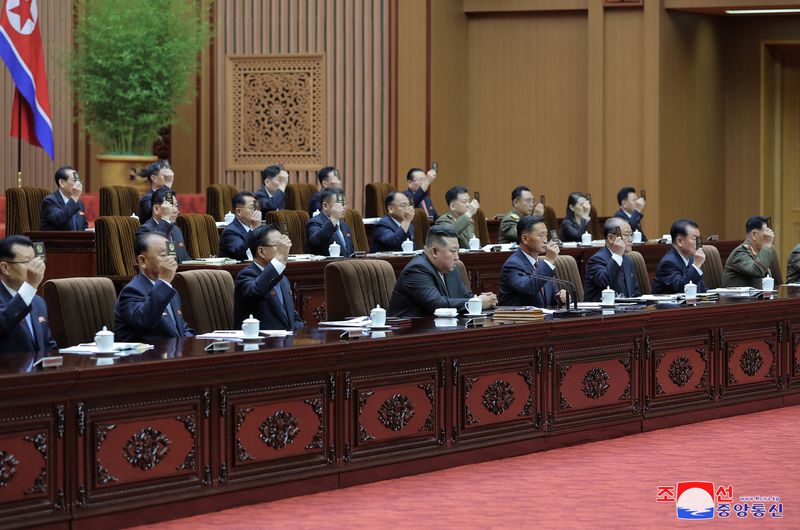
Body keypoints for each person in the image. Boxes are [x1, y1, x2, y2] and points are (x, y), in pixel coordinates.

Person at [388, 225, 497, 317]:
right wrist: (477, 303)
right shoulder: (416, 270)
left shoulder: (449, 267)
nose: (457, 257)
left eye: (457, 251)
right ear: (435, 251)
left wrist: (485, 299)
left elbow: (465, 297)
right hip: (408, 334)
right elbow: (437, 305)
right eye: (453, 251)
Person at [114, 233, 196, 342]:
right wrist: (164, 282)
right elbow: (143, 321)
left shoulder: (170, 290)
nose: (171, 260)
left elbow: (181, 329)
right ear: (142, 261)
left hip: (173, 354)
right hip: (145, 357)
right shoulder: (132, 291)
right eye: (163, 255)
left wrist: (195, 341)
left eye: (171, 255)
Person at [234, 225, 304, 330]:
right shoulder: (246, 275)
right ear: (261, 251)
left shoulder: (283, 279)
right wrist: (279, 257)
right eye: (279, 246)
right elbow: (258, 291)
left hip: (286, 343)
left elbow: (291, 315)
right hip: (260, 343)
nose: (285, 250)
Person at [0, 236, 57, 354]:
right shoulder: (28, 294)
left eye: (35, 261)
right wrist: (30, 285)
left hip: (38, 372)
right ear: (5, 268)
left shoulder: (38, 302)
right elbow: (4, 324)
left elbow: (50, 347)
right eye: (27, 262)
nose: (34, 268)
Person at [498, 215, 566, 307]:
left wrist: (560, 297)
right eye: (541, 235)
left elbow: (550, 299)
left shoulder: (541, 265)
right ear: (525, 238)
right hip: (519, 320)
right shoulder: (513, 265)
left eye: (546, 235)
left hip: (543, 319)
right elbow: (529, 289)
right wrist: (549, 261)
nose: (546, 240)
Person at [584, 217, 641, 302]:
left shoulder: (628, 261)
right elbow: (605, 282)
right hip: (603, 313)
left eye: (631, 234)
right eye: (626, 234)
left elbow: (635, 294)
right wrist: (617, 255)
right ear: (611, 238)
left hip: (627, 311)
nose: (631, 239)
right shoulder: (597, 260)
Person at [651, 219, 707, 294]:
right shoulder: (668, 262)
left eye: (698, 238)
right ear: (680, 241)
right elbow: (681, 289)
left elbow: (702, 290)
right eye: (694, 238)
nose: (698, 243)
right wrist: (696, 266)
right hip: (668, 305)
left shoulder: (691, 260)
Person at [135, 187, 191, 263]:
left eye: (176, 206)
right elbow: (152, 259)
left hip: (179, 274)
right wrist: (165, 220)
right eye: (170, 206)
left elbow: (185, 260)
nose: (176, 211)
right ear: (156, 209)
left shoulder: (176, 230)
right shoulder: (144, 230)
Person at [723, 216, 776, 288]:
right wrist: (766, 245)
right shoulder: (740, 253)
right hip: (738, 299)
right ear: (754, 234)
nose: (769, 238)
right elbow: (756, 271)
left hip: (756, 298)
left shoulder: (757, 252)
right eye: (766, 235)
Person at [306, 188, 355, 256]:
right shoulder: (315, 222)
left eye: (344, 204)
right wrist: (333, 219)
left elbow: (350, 252)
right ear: (325, 206)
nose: (343, 208)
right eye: (339, 205)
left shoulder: (345, 226)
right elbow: (315, 241)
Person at [40, 166, 87, 231]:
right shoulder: (49, 201)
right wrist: (75, 197)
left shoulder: (78, 203)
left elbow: (84, 226)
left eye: (79, 181)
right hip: (57, 240)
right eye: (74, 181)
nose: (78, 184)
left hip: (78, 240)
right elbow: (59, 220)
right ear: (62, 183)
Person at [219, 192, 262, 261]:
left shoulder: (259, 228)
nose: (256, 211)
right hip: (237, 270)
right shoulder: (230, 231)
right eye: (252, 208)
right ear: (238, 211)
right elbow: (240, 251)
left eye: (257, 207)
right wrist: (254, 230)